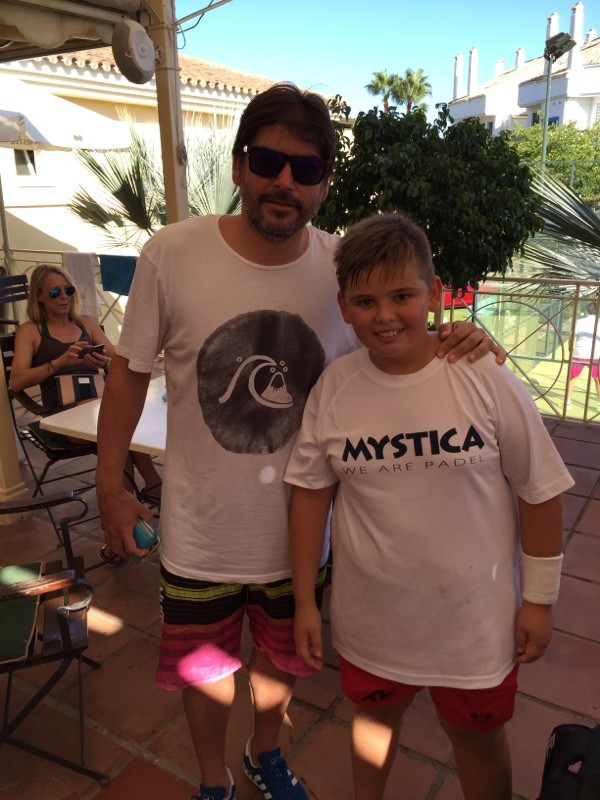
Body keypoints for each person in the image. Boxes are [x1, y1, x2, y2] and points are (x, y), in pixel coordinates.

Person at [95, 83, 504, 800]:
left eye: (306, 168)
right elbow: (129, 376)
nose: (284, 180)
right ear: (239, 165)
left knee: (281, 663)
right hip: (200, 529)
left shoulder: (342, 268)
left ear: (324, 183)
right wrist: (109, 487)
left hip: (302, 534)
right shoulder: (171, 254)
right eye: (267, 161)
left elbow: (392, 340)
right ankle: (213, 780)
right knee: (203, 671)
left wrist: (456, 336)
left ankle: (266, 753)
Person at [286, 212, 574, 800]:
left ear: (435, 293)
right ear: (343, 308)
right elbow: (311, 496)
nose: (385, 316)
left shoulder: (484, 376)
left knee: (478, 740)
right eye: (365, 301)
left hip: (475, 628)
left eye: (403, 296)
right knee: (372, 726)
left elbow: (539, 490)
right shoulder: (335, 388)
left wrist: (539, 601)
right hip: (372, 622)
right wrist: (304, 600)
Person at [10, 264, 162, 495]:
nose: (64, 297)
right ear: (39, 296)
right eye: (55, 292)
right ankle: (149, 487)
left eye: (68, 290)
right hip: (63, 416)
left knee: (120, 421)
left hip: (99, 404)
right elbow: (17, 381)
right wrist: (59, 363)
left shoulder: (86, 322)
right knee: (120, 424)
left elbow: (117, 360)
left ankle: (127, 497)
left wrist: (103, 363)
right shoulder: (31, 331)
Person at [565, 302, 600, 410]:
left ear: (587, 311)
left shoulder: (579, 322)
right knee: (598, 379)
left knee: (572, 378)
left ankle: (568, 403)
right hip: (595, 355)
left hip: (579, 354)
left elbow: (572, 337)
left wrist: (570, 349)